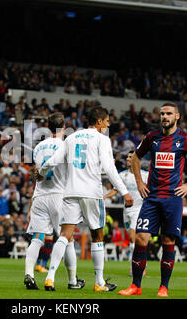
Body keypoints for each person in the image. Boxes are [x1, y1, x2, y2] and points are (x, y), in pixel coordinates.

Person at [38, 106, 133, 292]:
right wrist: (124, 192)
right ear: (98, 122)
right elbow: (109, 168)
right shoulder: (102, 139)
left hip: (71, 191)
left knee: (65, 235)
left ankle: (50, 277)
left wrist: (40, 172)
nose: (108, 124)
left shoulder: (71, 138)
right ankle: (99, 282)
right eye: (106, 121)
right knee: (97, 236)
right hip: (91, 192)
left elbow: (52, 161)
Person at [119, 102, 187, 297]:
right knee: (141, 239)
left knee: (168, 241)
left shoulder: (186, 139)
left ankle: (164, 287)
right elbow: (135, 157)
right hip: (151, 197)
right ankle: (135, 285)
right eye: (162, 114)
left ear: (177, 117)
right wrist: (140, 182)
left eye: (168, 114)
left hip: (172, 198)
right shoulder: (152, 137)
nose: (164, 117)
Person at [24, 113, 84, 290]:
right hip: (60, 195)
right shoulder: (66, 145)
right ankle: (72, 281)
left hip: (40, 195)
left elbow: (37, 174)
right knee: (68, 238)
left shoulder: (39, 147)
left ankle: (29, 274)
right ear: (63, 127)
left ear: (48, 126)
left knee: (37, 238)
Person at [104, 150, 149, 276]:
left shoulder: (145, 175)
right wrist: (105, 196)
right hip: (127, 210)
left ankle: (136, 267)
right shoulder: (123, 175)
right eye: (128, 157)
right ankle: (138, 264)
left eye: (131, 157)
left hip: (139, 209)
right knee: (132, 240)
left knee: (133, 238)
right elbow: (116, 190)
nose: (128, 159)